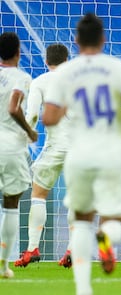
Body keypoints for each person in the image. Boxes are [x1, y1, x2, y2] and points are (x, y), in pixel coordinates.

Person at [42, 13, 121, 295]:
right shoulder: (117, 68)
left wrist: (65, 109)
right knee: (112, 218)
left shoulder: (65, 73)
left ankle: (83, 293)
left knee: (81, 219)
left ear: (76, 41)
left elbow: (49, 117)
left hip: (79, 155)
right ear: (103, 39)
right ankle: (105, 241)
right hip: (111, 153)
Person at [14, 43, 73, 269]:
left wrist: (27, 137)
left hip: (55, 148)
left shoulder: (40, 82)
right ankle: (72, 249)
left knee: (38, 195)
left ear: (47, 62)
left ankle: (32, 249)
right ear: (68, 60)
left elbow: (31, 116)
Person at [0, 32, 38, 278]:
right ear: (18, 52)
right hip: (10, 146)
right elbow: (14, 107)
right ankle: (3, 266)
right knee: (11, 203)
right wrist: (30, 131)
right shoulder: (21, 77)